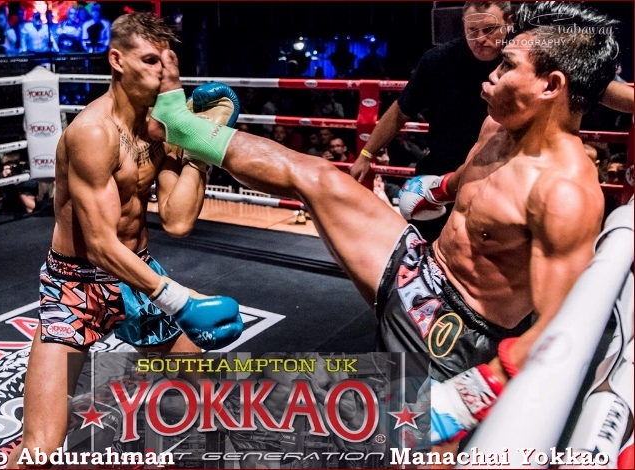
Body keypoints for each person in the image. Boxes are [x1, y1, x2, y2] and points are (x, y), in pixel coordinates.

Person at [147, 1, 624, 449]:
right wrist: (437, 191)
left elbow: (561, 330)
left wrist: (471, 395)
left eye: (508, 67)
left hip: (455, 332)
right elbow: (470, 178)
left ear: (551, 85)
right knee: (317, 177)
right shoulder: (497, 127)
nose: (491, 75)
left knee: (407, 447)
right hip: (419, 263)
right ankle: (186, 128)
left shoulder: (566, 193)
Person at [6, 13, 243, 468]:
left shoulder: (162, 127)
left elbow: (177, 220)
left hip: (138, 274)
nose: (161, 72)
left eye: (167, 62)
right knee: (40, 446)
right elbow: (99, 244)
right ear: (117, 60)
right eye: (150, 60)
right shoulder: (93, 133)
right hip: (77, 286)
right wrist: (180, 300)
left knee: (208, 392)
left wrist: (203, 144)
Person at [350, 2, 515, 244]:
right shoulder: (438, 60)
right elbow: (401, 110)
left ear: (509, 22)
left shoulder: (523, 63)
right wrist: (366, 153)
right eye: (472, 30)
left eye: (489, 29)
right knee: (424, 244)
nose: (480, 38)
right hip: (441, 172)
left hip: (500, 175)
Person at [225, 353, 356, 469]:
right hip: (256, 426)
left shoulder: (332, 371)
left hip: (283, 434)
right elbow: (241, 389)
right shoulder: (270, 358)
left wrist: (318, 392)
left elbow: (350, 411)